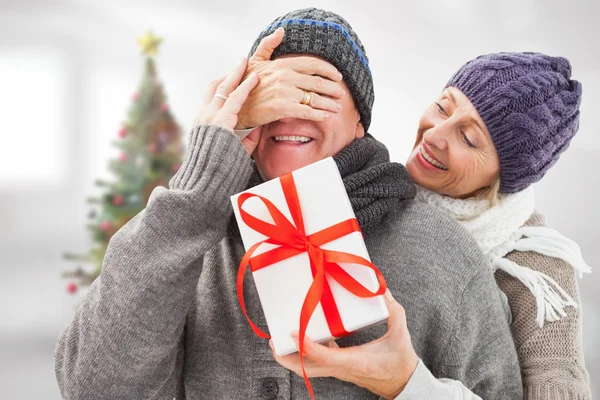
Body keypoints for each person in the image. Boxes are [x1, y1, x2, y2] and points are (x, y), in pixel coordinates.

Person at [54, 8, 522, 399]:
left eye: (317, 90)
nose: (290, 110)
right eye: (270, 91)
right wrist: (200, 179)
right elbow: (93, 386)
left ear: (361, 120)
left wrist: (407, 384)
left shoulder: (442, 252)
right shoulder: (186, 236)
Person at [404, 52, 592, 398]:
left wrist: (407, 383)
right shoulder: (384, 196)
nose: (435, 135)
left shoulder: (537, 271)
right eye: (443, 107)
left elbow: (558, 381)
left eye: (469, 139)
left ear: (504, 176)